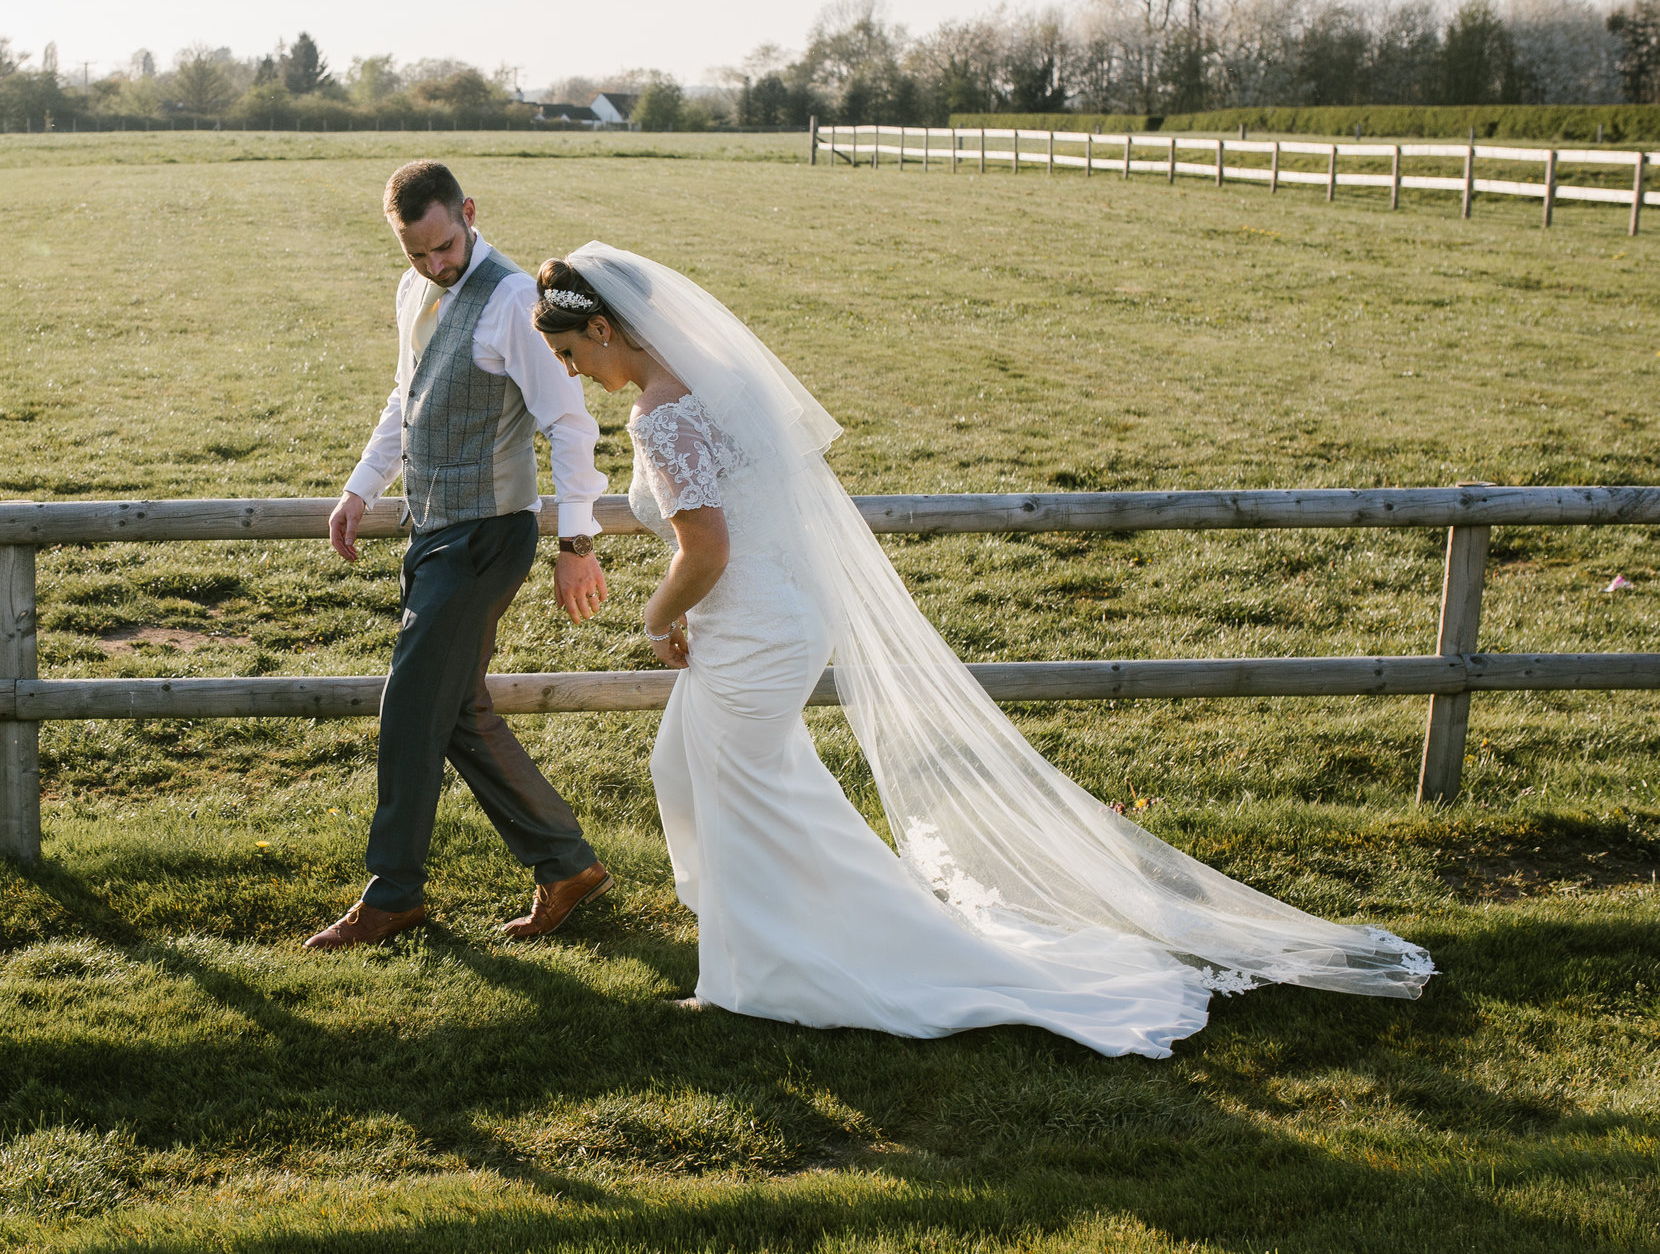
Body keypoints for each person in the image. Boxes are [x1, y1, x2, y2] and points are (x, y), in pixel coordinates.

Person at [530, 241, 1432, 1057]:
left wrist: (655, 620)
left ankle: (767, 975)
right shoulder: (718, 382)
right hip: (782, 615)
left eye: (573, 356)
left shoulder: (661, 413)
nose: (574, 376)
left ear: (606, 327)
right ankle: (774, 945)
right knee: (686, 770)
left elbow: (707, 549)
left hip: (754, 627)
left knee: (755, 797)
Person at [306, 161, 617, 949]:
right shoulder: (414, 291)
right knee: (457, 709)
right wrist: (360, 486)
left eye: (444, 247)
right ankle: (566, 863)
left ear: (468, 213)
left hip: (487, 536)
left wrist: (576, 542)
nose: (435, 265)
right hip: (430, 530)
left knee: (412, 705)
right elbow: (405, 397)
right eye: (417, 254)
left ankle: (393, 893)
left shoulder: (514, 300)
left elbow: (571, 425)